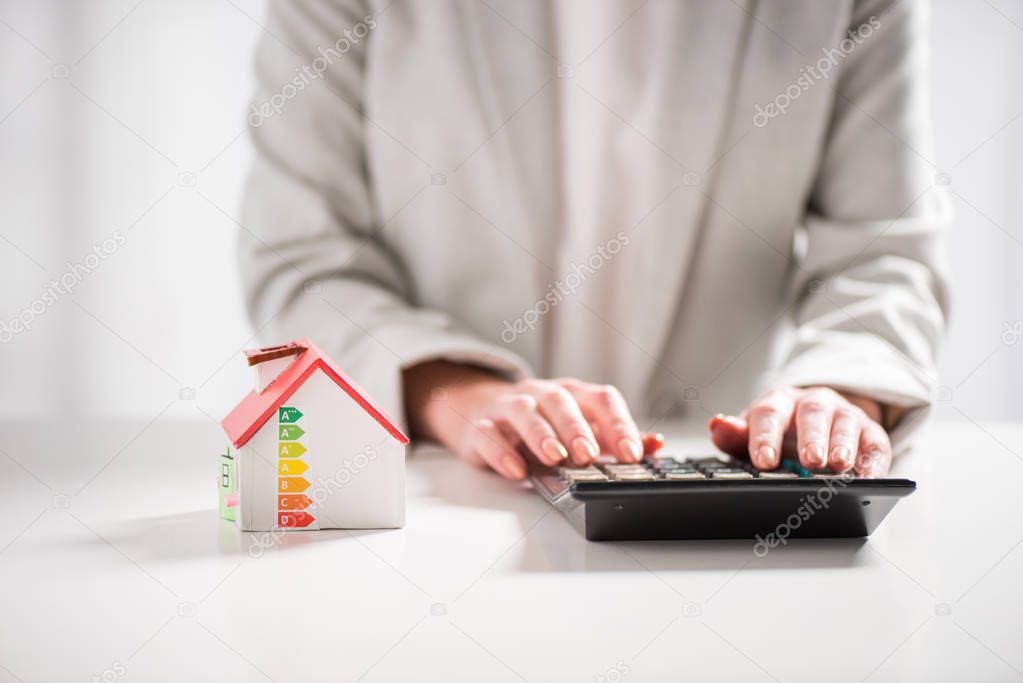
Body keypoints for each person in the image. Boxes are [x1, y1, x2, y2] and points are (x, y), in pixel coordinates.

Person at [239, 0, 948, 481]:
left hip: (723, 521)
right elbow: (302, 261)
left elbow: (881, 252)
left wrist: (839, 394)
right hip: (445, 496)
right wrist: (456, 393)